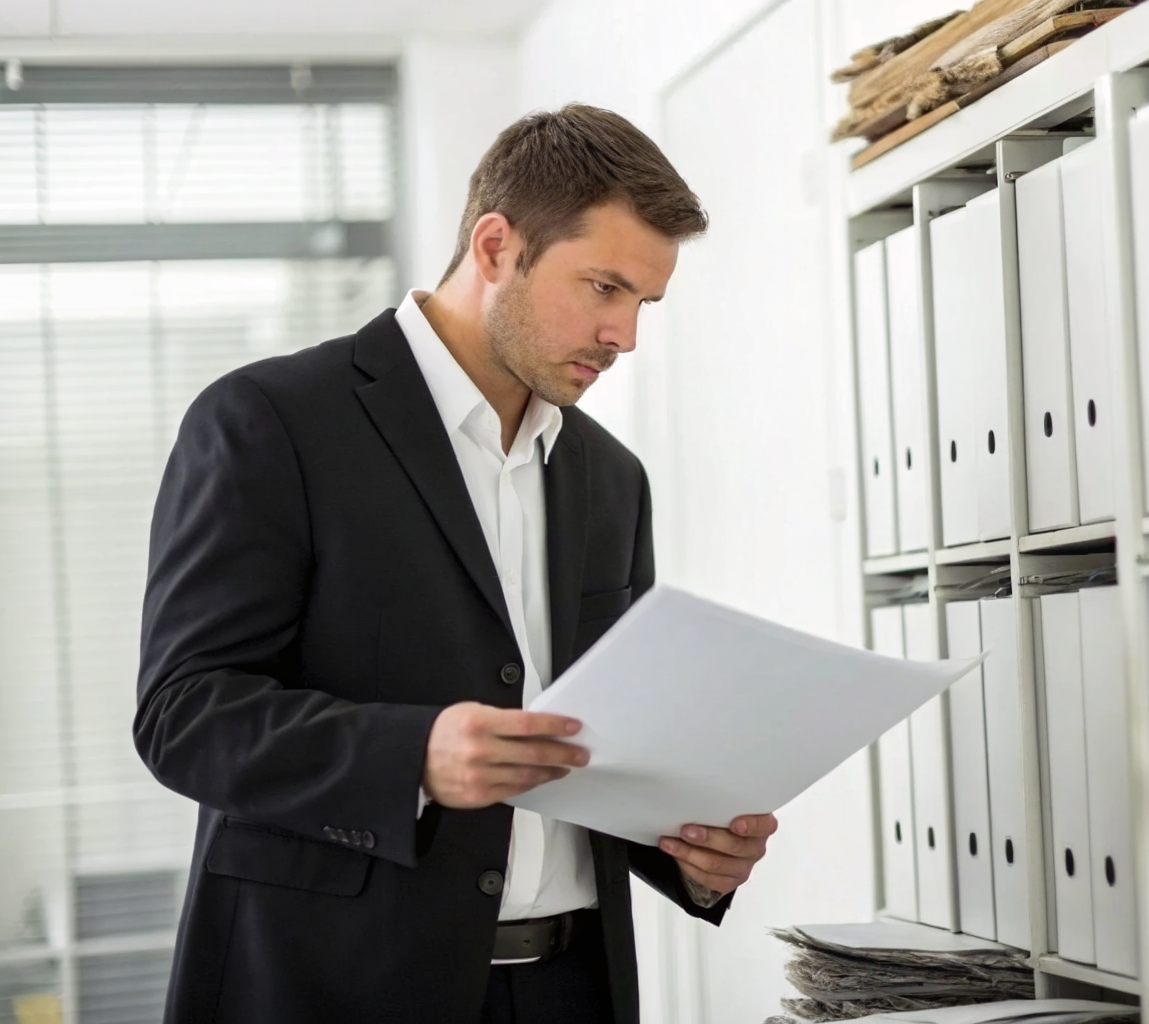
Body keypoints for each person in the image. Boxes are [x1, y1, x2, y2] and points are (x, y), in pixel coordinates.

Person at [134, 103, 776, 1024]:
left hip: (571, 989)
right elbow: (183, 714)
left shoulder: (611, 478)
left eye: (643, 302)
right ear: (494, 245)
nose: (625, 336)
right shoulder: (271, 422)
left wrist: (689, 852)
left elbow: (606, 736)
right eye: (603, 287)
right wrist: (412, 758)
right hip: (336, 988)